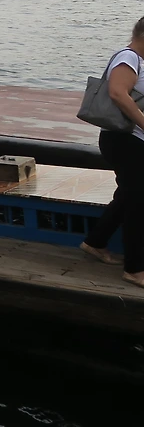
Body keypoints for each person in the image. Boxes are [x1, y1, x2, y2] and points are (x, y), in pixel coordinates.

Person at [81, 17, 144, 286]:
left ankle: (94, 242)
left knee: (129, 195)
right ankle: (135, 268)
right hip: (124, 139)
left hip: (133, 140)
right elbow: (118, 93)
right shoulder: (128, 58)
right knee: (139, 202)